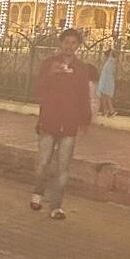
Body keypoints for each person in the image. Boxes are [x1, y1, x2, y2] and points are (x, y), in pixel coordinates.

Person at [31, 28, 96, 219]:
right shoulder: (49, 64)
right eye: (66, 42)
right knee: (43, 162)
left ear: (78, 46)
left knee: (63, 167)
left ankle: (56, 206)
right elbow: (38, 89)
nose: (69, 46)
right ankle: (37, 193)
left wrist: (85, 120)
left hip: (69, 123)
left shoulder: (81, 68)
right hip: (49, 120)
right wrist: (51, 74)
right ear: (61, 43)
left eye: (73, 43)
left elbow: (84, 95)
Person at [96, 50, 117, 117]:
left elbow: (111, 54)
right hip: (106, 81)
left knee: (106, 96)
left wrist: (111, 51)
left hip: (107, 81)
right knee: (104, 96)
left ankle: (111, 110)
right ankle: (106, 110)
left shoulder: (110, 61)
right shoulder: (111, 63)